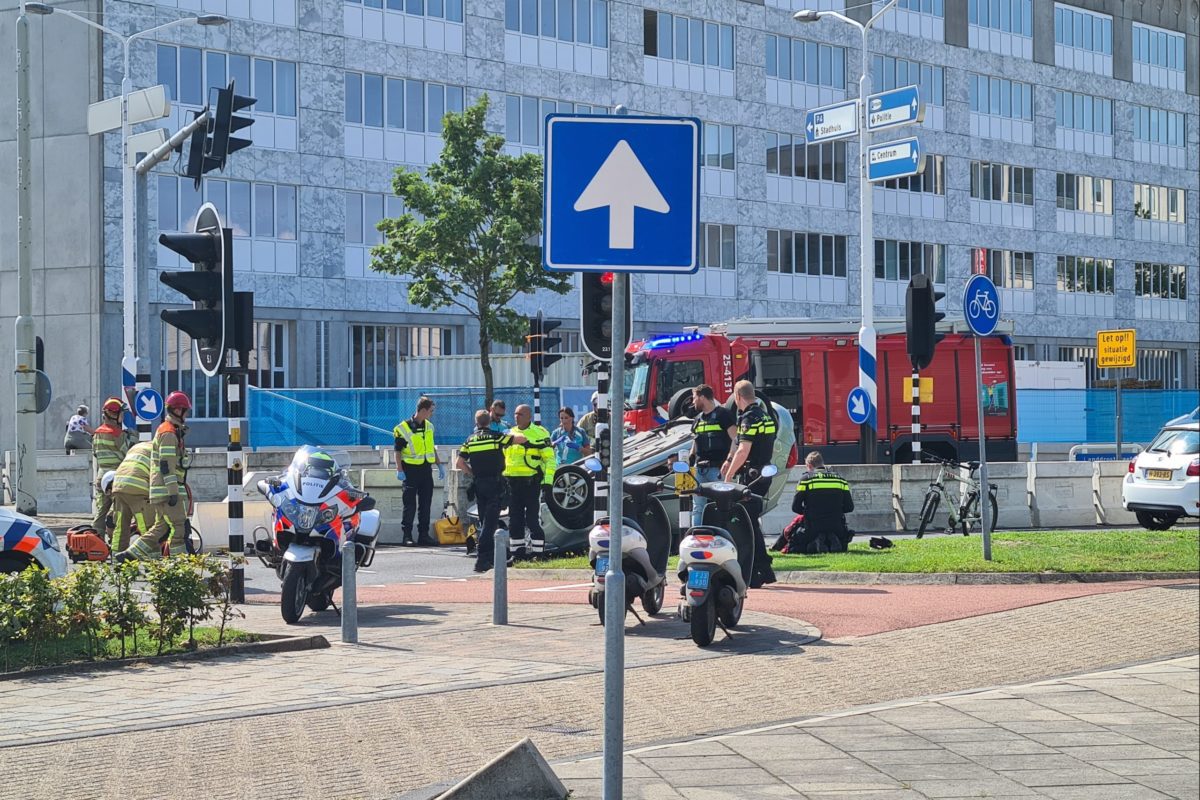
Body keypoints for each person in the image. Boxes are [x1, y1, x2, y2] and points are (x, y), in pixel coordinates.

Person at [119, 391, 192, 561]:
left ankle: (131, 553)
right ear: (177, 411)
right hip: (167, 490)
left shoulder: (170, 431)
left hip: (161, 490)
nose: (187, 415)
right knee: (178, 527)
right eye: (185, 411)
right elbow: (166, 465)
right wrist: (173, 491)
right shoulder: (168, 433)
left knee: (161, 527)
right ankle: (179, 565)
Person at [723, 380, 778, 587]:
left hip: (752, 475)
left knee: (747, 523)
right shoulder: (766, 416)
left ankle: (757, 567)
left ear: (737, 397)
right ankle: (761, 568)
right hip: (763, 473)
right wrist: (729, 460)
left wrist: (728, 476)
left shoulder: (748, 418)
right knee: (751, 521)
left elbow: (743, 450)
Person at [457, 410, 527, 572]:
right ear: (489, 422)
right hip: (495, 484)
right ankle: (482, 558)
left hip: (479, 484)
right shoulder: (496, 437)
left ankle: (495, 556)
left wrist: (473, 473)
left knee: (486, 521)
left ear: (476, 423)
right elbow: (521, 439)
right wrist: (513, 434)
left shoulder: (470, 440)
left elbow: (459, 463)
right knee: (490, 522)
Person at [503, 404, 556, 556]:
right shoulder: (509, 434)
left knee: (533, 520)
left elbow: (550, 460)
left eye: (520, 414)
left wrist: (548, 481)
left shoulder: (540, 433)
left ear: (529, 417)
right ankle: (517, 555)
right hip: (512, 484)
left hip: (531, 483)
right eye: (515, 413)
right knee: (514, 521)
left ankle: (538, 554)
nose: (516, 417)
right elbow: (504, 458)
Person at [394, 396, 443, 546]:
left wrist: (439, 465)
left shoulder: (429, 426)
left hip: (425, 470)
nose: (432, 414)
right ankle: (407, 536)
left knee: (425, 504)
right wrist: (399, 469)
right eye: (430, 411)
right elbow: (397, 451)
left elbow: (431, 448)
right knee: (410, 505)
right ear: (422, 410)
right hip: (410, 470)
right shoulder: (403, 428)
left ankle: (424, 535)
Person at [688, 384, 737, 526]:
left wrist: (729, 460)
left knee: (722, 505)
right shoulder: (698, 419)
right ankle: (696, 536)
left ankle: (723, 536)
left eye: (695, 398)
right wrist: (691, 457)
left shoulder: (723, 414)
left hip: (718, 470)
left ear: (703, 397)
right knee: (698, 508)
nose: (693, 402)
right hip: (699, 470)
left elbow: (736, 439)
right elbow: (696, 440)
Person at [791, 451, 855, 554]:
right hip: (836, 526)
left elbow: (795, 507)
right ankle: (832, 540)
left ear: (809, 466)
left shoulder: (805, 480)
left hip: (813, 526)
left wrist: (808, 512)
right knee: (837, 535)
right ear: (822, 463)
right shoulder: (840, 480)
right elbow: (849, 507)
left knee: (797, 543)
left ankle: (817, 541)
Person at [90, 397, 130, 533]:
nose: (123, 417)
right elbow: (128, 453)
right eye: (121, 413)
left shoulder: (96, 433)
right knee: (118, 511)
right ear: (114, 414)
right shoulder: (117, 434)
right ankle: (114, 538)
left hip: (101, 477)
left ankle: (96, 540)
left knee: (100, 511)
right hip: (116, 477)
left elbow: (95, 453)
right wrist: (133, 438)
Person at [110, 441, 155, 553]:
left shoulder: (138, 446)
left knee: (121, 527)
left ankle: (117, 560)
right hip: (137, 488)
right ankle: (152, 562)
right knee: (146, 527)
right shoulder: (159, 449)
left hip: (118, 485)